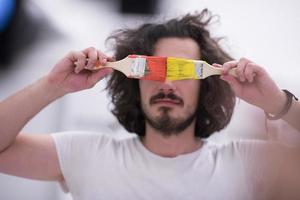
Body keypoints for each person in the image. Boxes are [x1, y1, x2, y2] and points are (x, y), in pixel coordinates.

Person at [0, 9, 300, 200]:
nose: (167, 83)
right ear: (135, 81)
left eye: (183, 72)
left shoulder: (249, 165)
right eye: (153, 70)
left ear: (205, 84)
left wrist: (277, 102)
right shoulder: (85, 156)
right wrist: (52, 86)